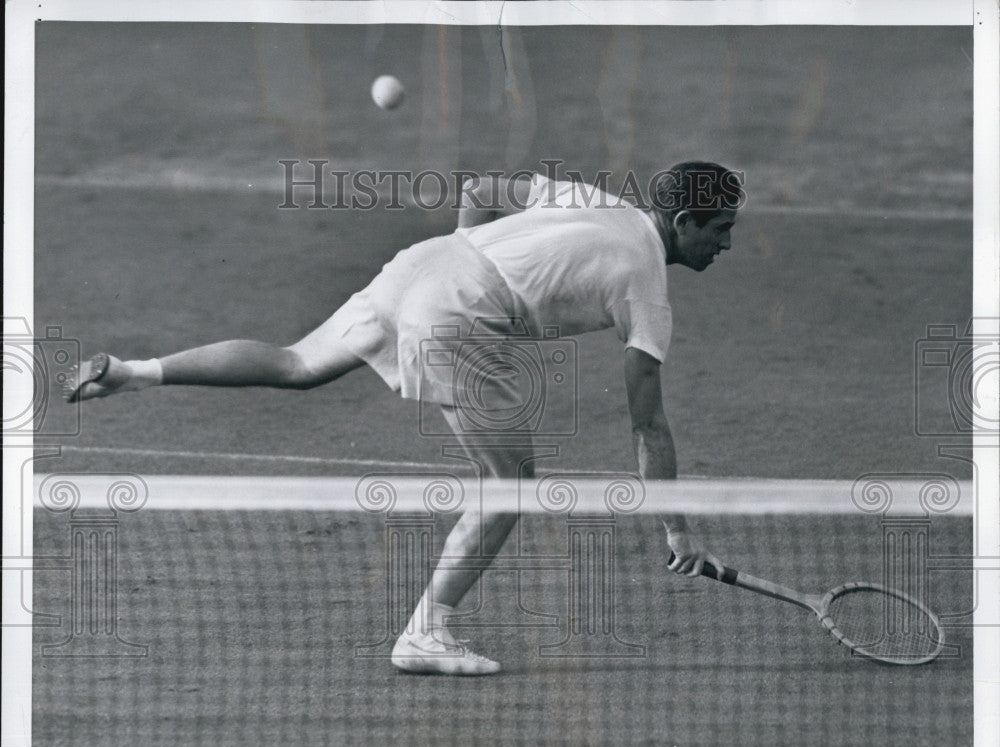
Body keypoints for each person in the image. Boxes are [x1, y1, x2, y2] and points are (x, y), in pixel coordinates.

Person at [67, 161, 740, 675]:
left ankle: (133, 372)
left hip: (421, 266)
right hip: (456, 314)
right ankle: (427, 630)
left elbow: (481, 186)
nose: (727, 245)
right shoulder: (647, 282)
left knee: (297, 362)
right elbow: (647, 421)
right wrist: (677, 527)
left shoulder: (601, 202)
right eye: (721, 230)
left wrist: (465, 256)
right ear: (683, 223)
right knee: (509, 485)